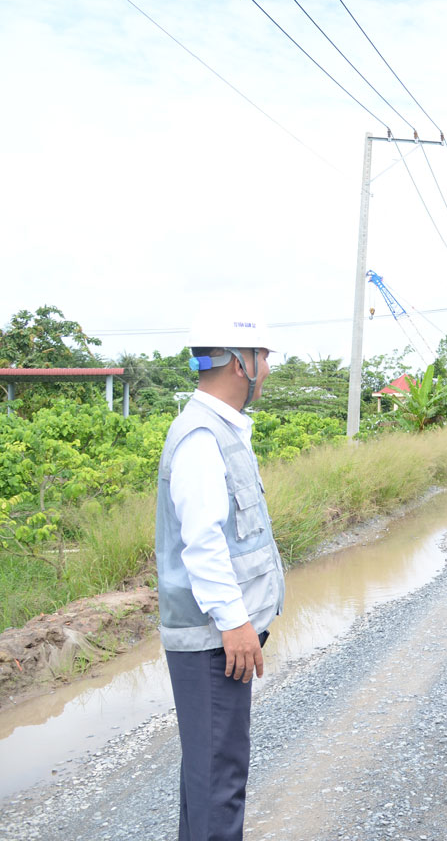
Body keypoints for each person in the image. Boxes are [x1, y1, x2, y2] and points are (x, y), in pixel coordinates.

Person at [155, 311, 283, 841]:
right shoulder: (202, 437)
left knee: (209, 774)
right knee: (220, 781)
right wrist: (234, 624)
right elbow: (202, 543)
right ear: (240, 364)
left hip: (221, 635)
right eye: (265, 359)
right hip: (214, 640)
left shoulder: (222, 429)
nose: (269, 370)